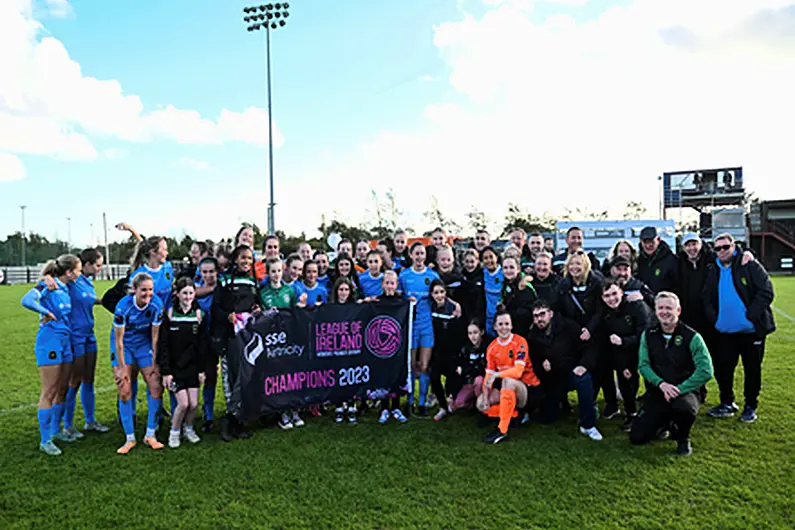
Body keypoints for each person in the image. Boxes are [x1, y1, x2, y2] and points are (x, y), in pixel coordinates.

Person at [703, 233, 775, 423]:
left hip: (751, 332)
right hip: (725, 332)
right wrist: (715, 319)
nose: (721, 251)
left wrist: (751, 314)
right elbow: (706, 297)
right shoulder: (713, 270)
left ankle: (750, 406)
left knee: (752, 370)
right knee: (722, 368)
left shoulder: (748, 264)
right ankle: (727, 402)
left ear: (734, 246)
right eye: (717, 248)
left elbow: (766, 291)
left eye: (725, 247)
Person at [630, 292, 714, 456]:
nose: (664, 312)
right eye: (660, 308)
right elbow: (643, 365)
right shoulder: (648, 335)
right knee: (637, 438)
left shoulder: (692, 337)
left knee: (683, 408)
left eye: (669, 308)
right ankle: (664, 424)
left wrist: (679, 389)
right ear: (655, 310)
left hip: (685, 392)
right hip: (658, 390)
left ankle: (683, 438)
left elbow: (706, 371)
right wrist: (661, 384)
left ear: (678, 310)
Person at [676, 232, 753, 403]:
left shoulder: (712, 258)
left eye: (694, 244)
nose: (691, 248)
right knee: (691, 359)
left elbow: (731, 253)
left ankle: (726, 398)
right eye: (687, 245)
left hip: (713, 320)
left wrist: (746, 251)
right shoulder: (679, 262)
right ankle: (698, 392)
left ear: (700, 244)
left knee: (719, 361)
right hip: (689, 319)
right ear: (683, 247)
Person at [42, 248, 110, 437]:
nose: (100, 269)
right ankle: (67, 424)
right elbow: (54, 271)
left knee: (89, 379)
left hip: (90, 335)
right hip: (75, 336)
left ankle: (90, 421)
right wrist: (47, 277)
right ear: (86, 264)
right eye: (97, 265)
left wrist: (101, 301)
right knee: (74, 381)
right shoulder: (72, 280)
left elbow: (85, 301)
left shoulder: (88, 282)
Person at [21, 254, 82, 456]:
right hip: (50, 342)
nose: (80, 273)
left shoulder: (65, 286)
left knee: (62, 388)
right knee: (49, 390)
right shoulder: (49, 284)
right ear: (68, 272)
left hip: (65, 341)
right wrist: (44, 311)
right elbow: (27, 299)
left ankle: (56, 431)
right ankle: (45, 440)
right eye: (78, 269)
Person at [528, 299, 603, 441]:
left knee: (584, 380)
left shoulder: (568, 326)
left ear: (550, 314)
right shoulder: (533, 336)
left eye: (542, 314)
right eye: (536, 316)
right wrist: (542, 365)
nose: (539, 319)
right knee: (547, 418)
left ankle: (588, 424)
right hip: (552, 380)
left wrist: (584, 365)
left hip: (571, 372)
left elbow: (590, 347)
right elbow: (533, 363)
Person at [112, 273, 166, 454]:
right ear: (134, 290)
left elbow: (155, 336)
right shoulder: (123, 307)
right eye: (144, 290)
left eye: (150, 290)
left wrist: (155, 362)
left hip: (144, 345)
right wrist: (120, 368)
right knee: (125, 389)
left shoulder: (157, 304)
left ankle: (150, 434)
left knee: (156, 386)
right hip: (125, 346)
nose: (148, 294)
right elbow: (118, 341)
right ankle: (129, 438)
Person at [216, 245, 261, 442]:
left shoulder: (253, 281)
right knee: (232, 378)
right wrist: (227, 316)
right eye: (243, 258)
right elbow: (216, 307)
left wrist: (258, 308)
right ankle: (229, 420)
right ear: (236, 259)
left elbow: (256, 304)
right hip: (230, 337)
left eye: (249, 259)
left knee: (245, 378)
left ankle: (238, 420)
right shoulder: (225, 280)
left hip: (248, 338)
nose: (246, 262)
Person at [477, 310, 540, 444]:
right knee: (481, 404)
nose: (503, 327)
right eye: (500, 324)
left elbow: (517, 372)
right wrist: (486, 395)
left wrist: (497, 375)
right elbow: (488, 375)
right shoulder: (492, 347)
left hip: (528, 389)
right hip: (507, 389)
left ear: (511, 326)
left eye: (507, 324)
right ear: (495, 327)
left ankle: (502, 430)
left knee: (508, 381)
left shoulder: (520, 342)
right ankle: (515, 415)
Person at [158, 278, 207, 448]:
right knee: (183, 403)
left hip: (192, 367)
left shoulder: (199, 315)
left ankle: (189, 429)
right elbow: (163, 345)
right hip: (174, 368)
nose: (187, 297)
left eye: (191, 293)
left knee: (194, 404)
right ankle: (174, 432)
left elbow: (202, 345)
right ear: (177, 294)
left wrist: (201, 370)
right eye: (184, 293)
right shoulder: (170, 314)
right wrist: (166, 371)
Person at [600, 280, 650, 431]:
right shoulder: (606, 313)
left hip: (646, 347)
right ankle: (631, 413)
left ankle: (655, 412)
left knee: (650, 379)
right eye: (607, 296)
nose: (612, 298)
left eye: (614, 294)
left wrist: (624, 341)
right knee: (625, 376)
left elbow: (645, 333)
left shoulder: (636, 306)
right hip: (622, 349)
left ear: (622, 293)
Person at [399, 242, 441, 417]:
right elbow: (397, 297)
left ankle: (422, 403)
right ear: (411, 254)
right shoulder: (404, 275)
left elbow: (441, 295)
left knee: (424, 366)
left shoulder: (432, 275)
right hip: (410, 325)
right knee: (410, 366)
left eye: (422, 253)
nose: (419, 257)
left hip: (426, 325)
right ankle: (409, 402)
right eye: (416, 253)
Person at [376, 270, 409, 424]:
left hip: (396, 345)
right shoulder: (377, 301)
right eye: (387, 283)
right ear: (383, 284)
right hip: (380, 347)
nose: (389, 286)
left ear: (396, 285)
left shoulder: (402, 301)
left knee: (396, 374)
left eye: (392, 283)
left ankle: (395, 407)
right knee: (382, 376)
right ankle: (384, 408)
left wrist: (411, 304)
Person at [429, 279, 461, 421]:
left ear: (446, 293)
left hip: (452, 351)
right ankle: (442, 406)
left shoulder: (453, 309)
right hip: (437, 351)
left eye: (441, 292)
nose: (439, 295)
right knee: (434, 378)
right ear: (431, 294)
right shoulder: (430, 308)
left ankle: (450, 403)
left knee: (451, 379)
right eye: (436, 292)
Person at [196, 257, 219, 433]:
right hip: (198, 340)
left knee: (212, 375)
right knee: (197, 375)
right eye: (205, 271)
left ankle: (209, 413)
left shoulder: (222, 288)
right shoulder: (193, 290)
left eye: (212, 271)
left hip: (217, 338)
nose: (208, 275)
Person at [450, 320, 487, 411]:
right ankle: (473, 404)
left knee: (479, 380)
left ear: (482, 332)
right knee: (459, 403)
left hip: (483, 381)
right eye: (470, 333)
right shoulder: (465, 349)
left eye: (475, 332)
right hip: (469, 381)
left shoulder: (487, 347)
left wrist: (466, 370)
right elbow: (460, 368)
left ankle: (482, 406)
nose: (472, 336)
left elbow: (482, 368)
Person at [500, 255, 537, 339]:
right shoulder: (507, 285)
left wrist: (508, 314)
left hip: (525, 333)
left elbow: (527, 313)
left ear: (518, 269)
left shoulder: (525, 287)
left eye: (511, 267)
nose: (508, 270)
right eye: (505, 268)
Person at [636, 226, 679, 295]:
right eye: (645, 242)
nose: (648, 245)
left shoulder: (671, 260)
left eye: (651, 242)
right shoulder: (639, 260)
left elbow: (678, 286)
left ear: (658, 240)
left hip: (665, 303)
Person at [481, 246, 504, 339]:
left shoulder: (504, 272)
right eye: (485, 258)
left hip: (502, 318)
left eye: (491, 257)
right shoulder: (483, 272)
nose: (489, 260)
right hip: (489, 318)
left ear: (497, 257)